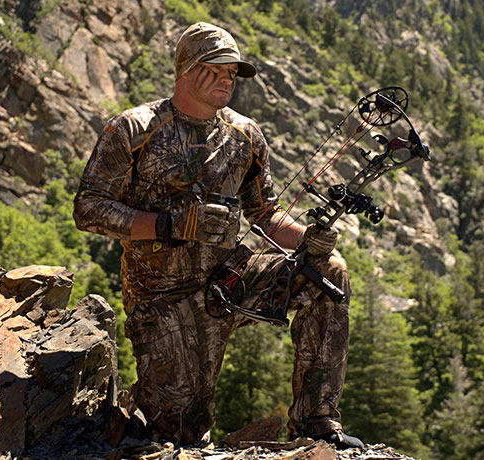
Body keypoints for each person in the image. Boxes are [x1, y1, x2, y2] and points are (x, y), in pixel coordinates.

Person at [73, 22, 363, 449]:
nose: (229, 78)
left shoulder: (245, 135)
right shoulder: (133, 129)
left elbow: (265, 213)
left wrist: (307, 239)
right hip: (162, 298)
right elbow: (88, 209)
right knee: (181, 435)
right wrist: (169, 225)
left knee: (328, 273)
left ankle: (316, 422)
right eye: (221, 68)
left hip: (230, 280)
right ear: (188, 69)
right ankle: (140, 409)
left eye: (234, 72)